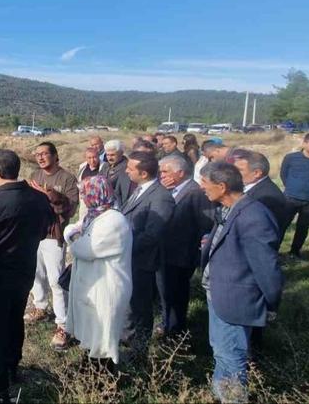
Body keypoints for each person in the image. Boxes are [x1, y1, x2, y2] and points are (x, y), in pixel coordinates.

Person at [0, 149, 52, 404]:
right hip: (24, 270)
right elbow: (45, 229)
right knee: (16, 319)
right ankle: (13, 369)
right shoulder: (39, 198)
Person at [199, 162, 283, 404]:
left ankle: (233, 399)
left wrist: (271, 303)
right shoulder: (228, 209)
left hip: (235, 298)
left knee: (232, 355)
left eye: (205, 184)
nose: (202, 188)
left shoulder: (253, 216)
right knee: (222, 352)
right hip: (219, 294)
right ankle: (221, 395)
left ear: (222, 186)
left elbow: (266, 267)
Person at [63, 176, 133, 366]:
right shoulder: (95, 216)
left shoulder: (113, 221)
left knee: (102, 337)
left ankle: (103, 379)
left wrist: (76, 239)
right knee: (92, 333)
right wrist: (76, 236)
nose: (83, 199)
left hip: (107, 287)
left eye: (85, 194)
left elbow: (86, 249)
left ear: (96, 194)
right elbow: (71, 230)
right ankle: (90, 371)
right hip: (96, 286)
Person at [24, 142, 79, 352]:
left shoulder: (67, 178)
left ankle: (63, 325)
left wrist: (50, 195)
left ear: (55, 156)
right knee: (36, 273)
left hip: (53, 235)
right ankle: (40, 306)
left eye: (44, 153)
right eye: (37, 154)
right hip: (34, 233)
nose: (40, 157)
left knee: (56, 280)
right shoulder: (34, 175)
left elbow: (71, 208)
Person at [156, 154, 216, 336]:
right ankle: (167, 324)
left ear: (180, 172)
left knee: (176, 295)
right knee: (166, 293)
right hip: (167, 252)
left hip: (182, 254)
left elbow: (206, 225)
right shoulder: (172, 189)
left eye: (165, 172)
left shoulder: (196, 193)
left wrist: (196, 253)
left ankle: (175, 332)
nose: (161, 175)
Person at [120, 151, 175, 350]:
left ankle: (139, 352)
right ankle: (126, 340)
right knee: (130, 304)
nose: (126, 171)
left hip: (143, 261)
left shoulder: (161, 197)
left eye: (130, 168)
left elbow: (151, 235)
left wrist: (122, 247)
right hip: (130, 259)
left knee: (140, 308)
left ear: (143, 173)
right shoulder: (140, 190)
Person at [232, 149, 286, 241]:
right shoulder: (248, 187)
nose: (233, 173)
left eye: (239, 170)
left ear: (256, 173)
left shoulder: (266, 197)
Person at [101, 140, 133, 206]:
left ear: (121, 153)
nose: (110, 158)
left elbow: (125, 193)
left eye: (112, 155)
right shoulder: (105, 166)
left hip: (118, 204)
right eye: (107, 155)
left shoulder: (126, 168)